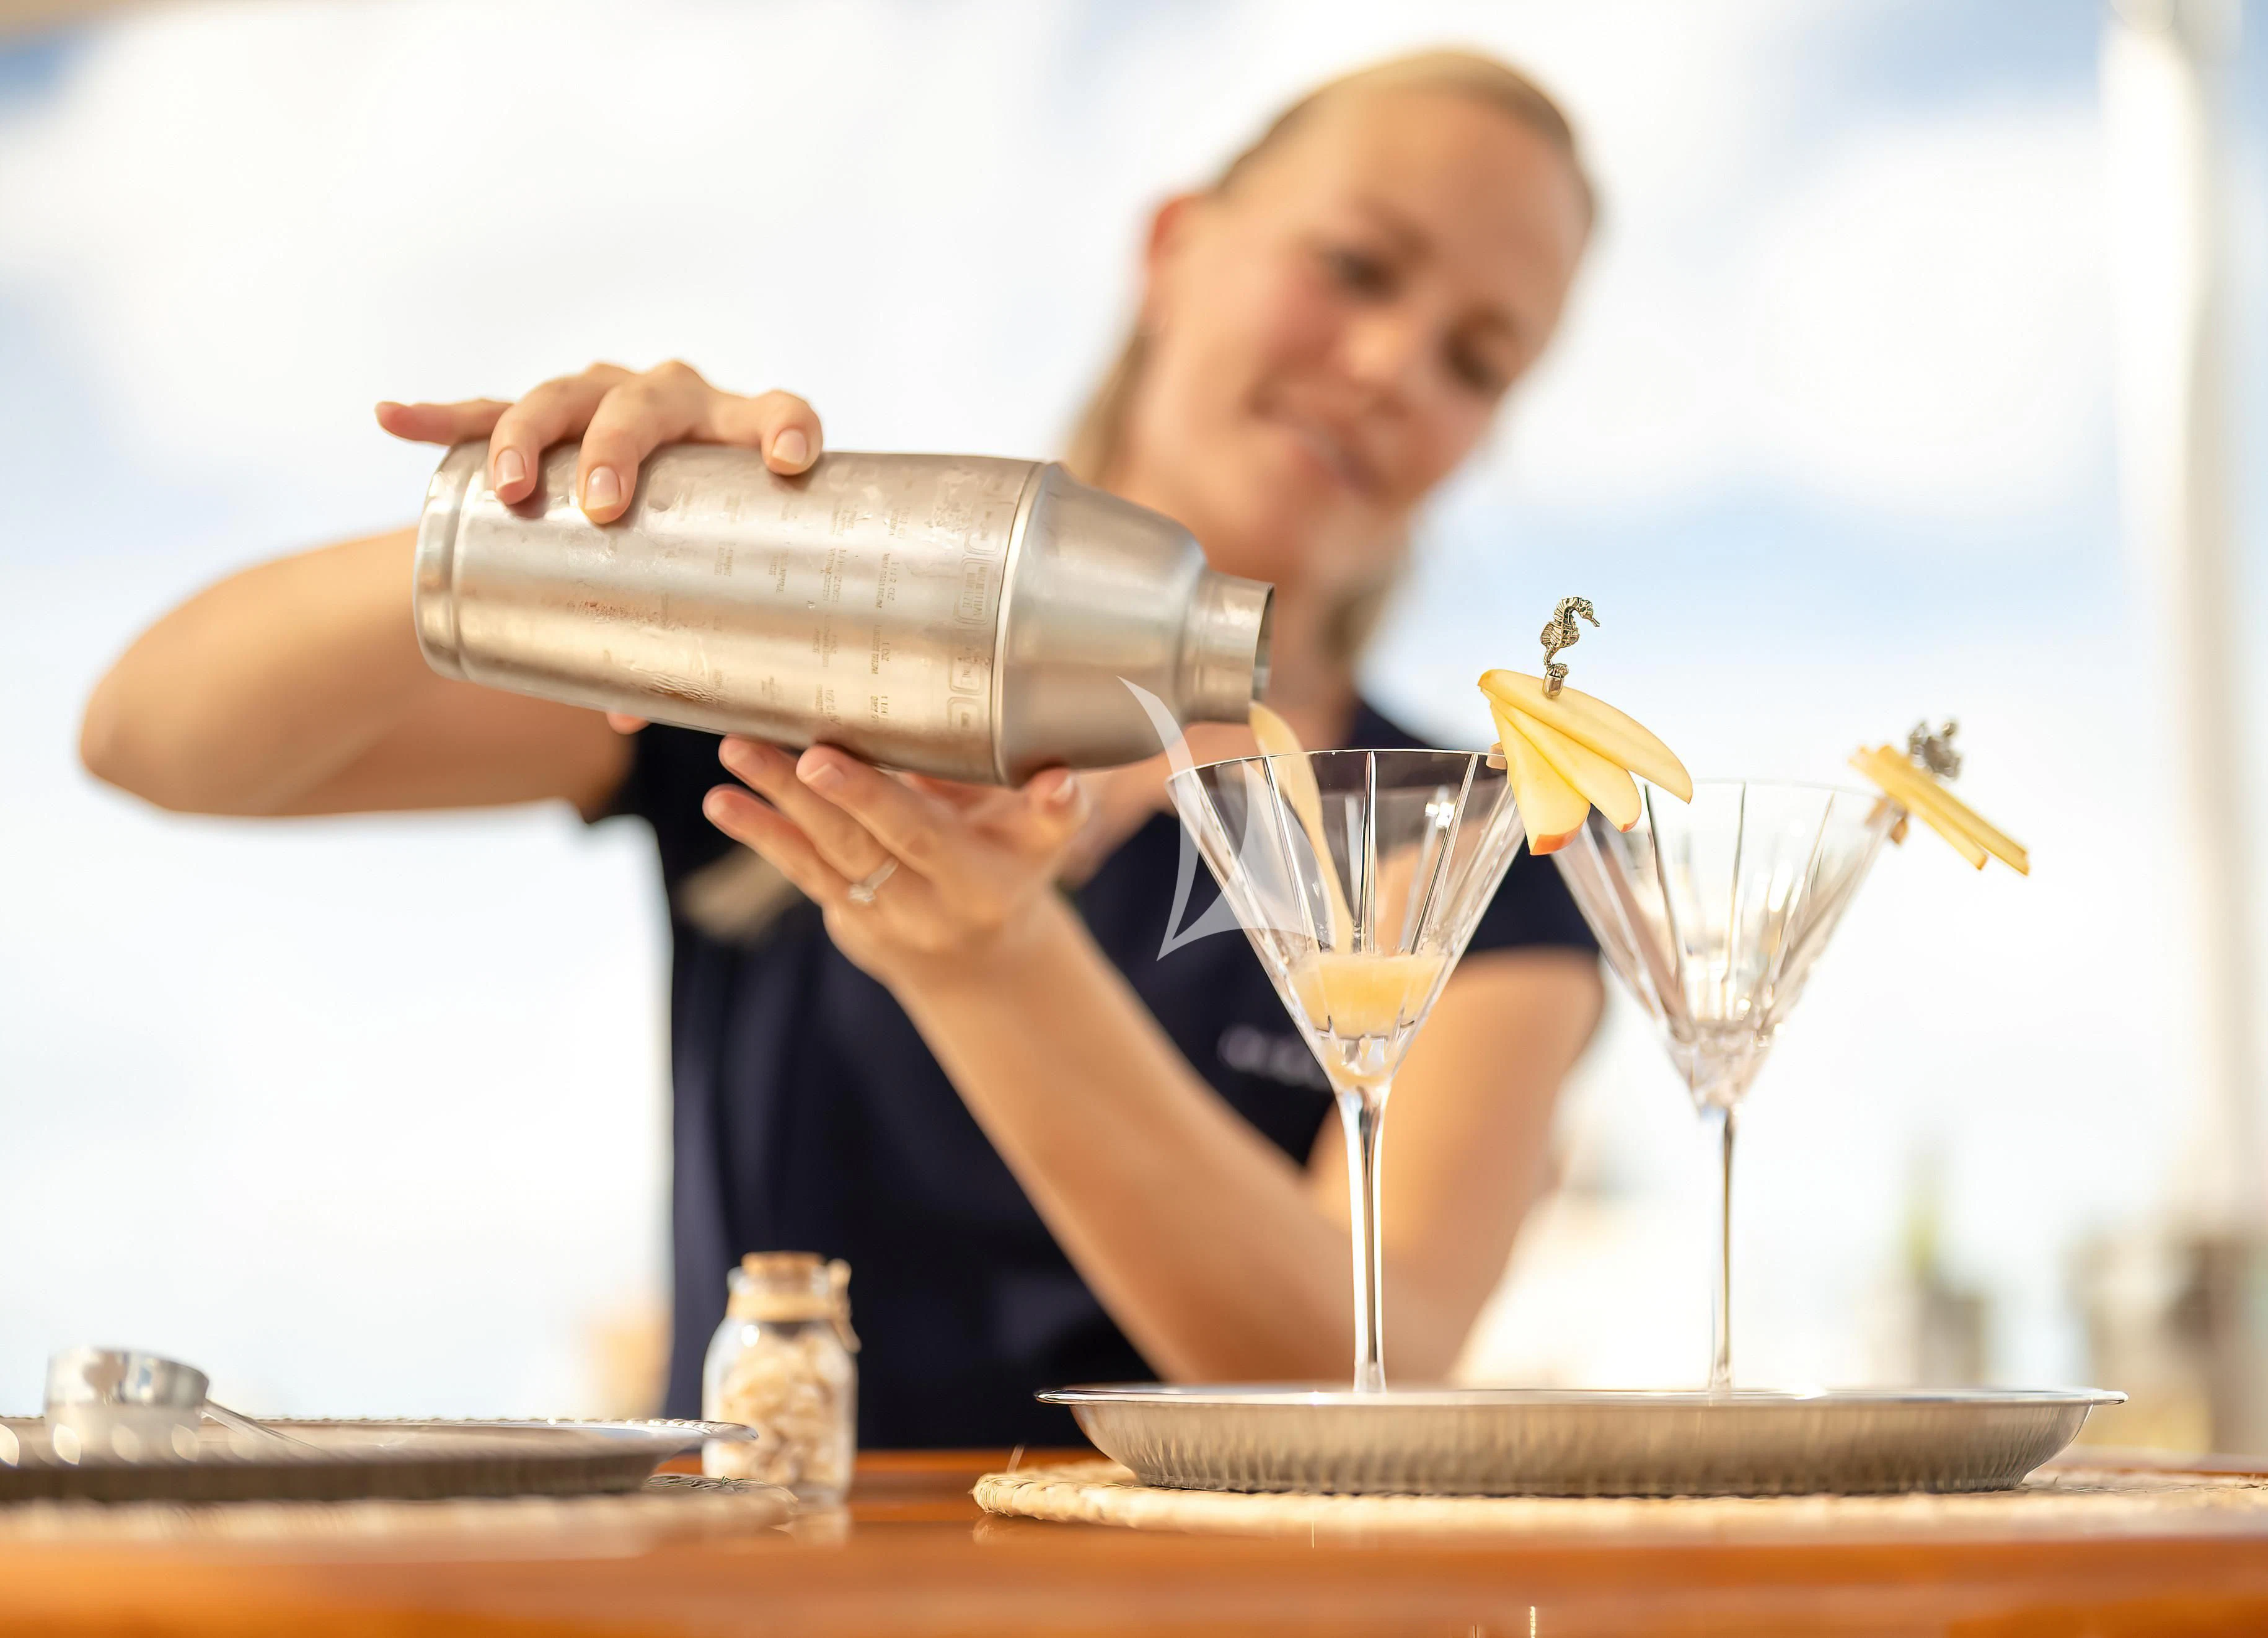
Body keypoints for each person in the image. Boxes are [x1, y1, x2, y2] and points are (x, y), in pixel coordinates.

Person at [81, 50, 1605, 1445]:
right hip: (758, 1594)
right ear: (1173, 250)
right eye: (1353, 265)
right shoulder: (805, 645)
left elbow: (1361, 1367)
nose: (1395, 363)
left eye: (1477, 359)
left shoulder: (1475, 842)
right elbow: (159, 736)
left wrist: (992, 965)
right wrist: (575, 533)